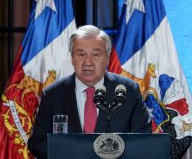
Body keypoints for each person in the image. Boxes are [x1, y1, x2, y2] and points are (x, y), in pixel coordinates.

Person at [27, 25, 152, 159]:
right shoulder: (53, 94)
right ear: (72, 58)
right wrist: (74, 153)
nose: (88, 62)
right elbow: (37, 142)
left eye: (96, 55)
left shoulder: (129, 91)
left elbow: (143, 140)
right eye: (81, 54)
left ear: (107, 58)